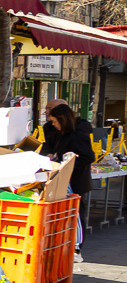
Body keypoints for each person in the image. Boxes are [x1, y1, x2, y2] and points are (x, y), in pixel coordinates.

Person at [40, 102, 95, 258]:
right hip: (66, 180)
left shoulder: (77, 134)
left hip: (75, 181)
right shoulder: (61, 133)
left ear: (62, 119)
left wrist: (67, 166)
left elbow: (88, 157)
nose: (53, 124)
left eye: (54, 121)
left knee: (76, 214)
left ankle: (77, 249)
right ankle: (69, 245)